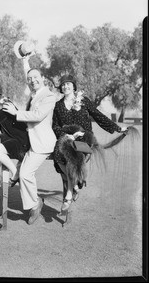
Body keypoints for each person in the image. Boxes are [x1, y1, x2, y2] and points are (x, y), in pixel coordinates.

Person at [52, 74, 128, 214]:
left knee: (73, 157)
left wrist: (117, 128)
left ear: (74, 86)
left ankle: (70, 192)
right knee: (57, 156)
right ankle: (76, 182)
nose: (65, 86)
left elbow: (98, 116)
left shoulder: (84, 101)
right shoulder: (58, 106)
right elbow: (55, 126)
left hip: (84, 137)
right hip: (67, 137)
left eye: (68, 83)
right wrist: (67, 135)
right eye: (62, 85)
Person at [4, 58, 57, 225]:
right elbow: (29, 75)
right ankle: (35, 203)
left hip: (43, 143)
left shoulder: (49, 96)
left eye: (36, 78)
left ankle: (35, 204)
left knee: (26, 174)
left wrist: (15, 113)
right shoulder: (34, 95)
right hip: (31, 142)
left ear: (43, 79)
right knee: (23, 174)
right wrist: (25, 61)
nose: (33, 81)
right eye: (30, 79)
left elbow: (38, 115)